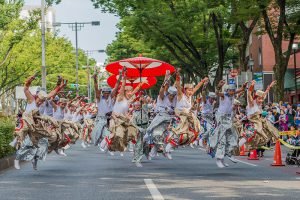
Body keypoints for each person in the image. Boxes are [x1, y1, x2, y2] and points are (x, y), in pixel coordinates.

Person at [14, 74, 66, 170]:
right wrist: (30, 80)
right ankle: (17, 158)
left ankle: (35, 159)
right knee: (27, 143)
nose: (40, 102)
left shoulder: (43, 102)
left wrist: (59, 86)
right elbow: (25, 89)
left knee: (43, 143)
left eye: (42, 101)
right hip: (27, 122)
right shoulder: (31, 100)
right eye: (39, 100)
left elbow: (52, 93)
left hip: (37, 125)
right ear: (37, 97)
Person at [165, 69, 208, 159]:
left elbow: (197, 87)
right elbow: (178, 85)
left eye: (192, 90)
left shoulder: (190, 96)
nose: (191, 91)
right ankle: (167, 149)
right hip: (180, 118)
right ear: (185, 90)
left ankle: (170, 148)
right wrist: (178, 76)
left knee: (190, 135)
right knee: (177, 135)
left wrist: (203, 81)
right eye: (189, 90)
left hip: (188, 119)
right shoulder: (181, 95)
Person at [106, 69, 144, 152]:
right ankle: (108, 142)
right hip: (115, 119)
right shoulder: (120, 98)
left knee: (132, 132)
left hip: (123, 119)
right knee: (118, 134)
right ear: (125, 92)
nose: (131, 93)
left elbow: (135, 91)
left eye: (131, 91)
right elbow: (122, 87)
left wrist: (141, 83)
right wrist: (124, 76)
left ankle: (115, 146)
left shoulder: (128, 100)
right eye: (129, 91)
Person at [210, 80, 247, 168]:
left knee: (233, 137)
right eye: (230, 91)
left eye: (233, 91)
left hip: (229, 119)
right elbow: (217, 92)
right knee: (222, 139)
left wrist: (244, 86)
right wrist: (219, 86)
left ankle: (229, 155)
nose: (232, 92)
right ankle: (219, 159)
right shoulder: (224, 95)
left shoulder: (233, 95)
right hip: (221, 119)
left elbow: (241, 89)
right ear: (227, 91)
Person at [240, 80, 278, 152]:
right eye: (259, 99)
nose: (261, 100)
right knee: (248, 136)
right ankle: (237, 147)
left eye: (262, 99)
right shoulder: (252, 103)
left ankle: (250, 147)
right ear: (255, 98)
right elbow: (249, 94)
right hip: (252, 124)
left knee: (265, 133)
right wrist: (252, 85)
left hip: (259, 123)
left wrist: (270, 86)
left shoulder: (259, 104)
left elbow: (264, 94)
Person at [146, 71, 177, 158]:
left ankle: (159, 151)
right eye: (171, 95)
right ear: (168, 93)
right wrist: (165, 80)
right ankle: (148, 141)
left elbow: (174, 111)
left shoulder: (175, 100)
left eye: (174, 95)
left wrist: (177, 76)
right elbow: (162, 90)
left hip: (168, 120)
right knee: (154, 134)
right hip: (159, 117)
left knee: (165, 136)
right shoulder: (162, 96)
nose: (172, 97)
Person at [92, 71, 120, 151]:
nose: (106, 94)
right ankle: (101, 143)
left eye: (108, 93)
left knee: (112, 133)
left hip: (110, 119)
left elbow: (116, 86)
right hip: (101, 119)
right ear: (102, 93)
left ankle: (105, 144)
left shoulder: (111, 97)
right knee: (97, 135)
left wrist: (120, 76)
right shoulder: (99, 98)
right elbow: (96, 89)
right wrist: (95, 79)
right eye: (105, 93)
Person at [131, 100, 149, 167]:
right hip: (139, 129)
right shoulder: (134, 114)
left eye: (139, 105)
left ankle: (144, 154)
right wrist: (139, 129)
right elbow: (133, 123)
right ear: (134, 106)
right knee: (139, 144)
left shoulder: (143, 110)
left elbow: (146, 105)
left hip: (146, 128)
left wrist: (142, 99)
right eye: (136, 105)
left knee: (146, 144)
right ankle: (137, 158)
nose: (138, 106)